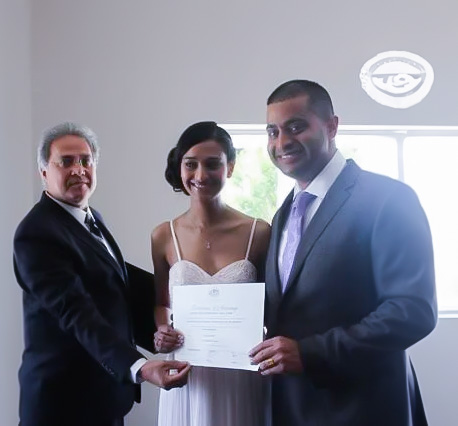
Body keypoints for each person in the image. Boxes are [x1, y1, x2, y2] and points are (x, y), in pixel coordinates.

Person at [249, 80, 437, 426]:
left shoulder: (389, 199)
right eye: (272, 132)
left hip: (365, 408)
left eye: (296, 127)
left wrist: (309, 353)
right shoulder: (282, 216)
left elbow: (413, 311)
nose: (281, 142)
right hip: (291, 407)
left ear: (332, 126)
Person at [13, 122, 190, 426]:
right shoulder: (36, 233)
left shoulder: (91, 218)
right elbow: (76, 312)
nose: (79, 169)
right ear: (44, 172)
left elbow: (116, 286)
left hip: (104, 397)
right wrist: (140, 367)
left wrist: (182, 308)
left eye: (86, 160)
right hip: (63, 404)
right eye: (66, 161)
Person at [151, 121, 271, 426]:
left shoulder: (258, 232)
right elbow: (161, 302)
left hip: (239, 374)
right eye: (191, 164)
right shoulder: (164, 235)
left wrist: (264, 331)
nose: (201, 175)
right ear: (180, 168)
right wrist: (162, 330)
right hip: (186, 373)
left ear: (229, 167)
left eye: (213, 164)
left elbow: (272, 305)